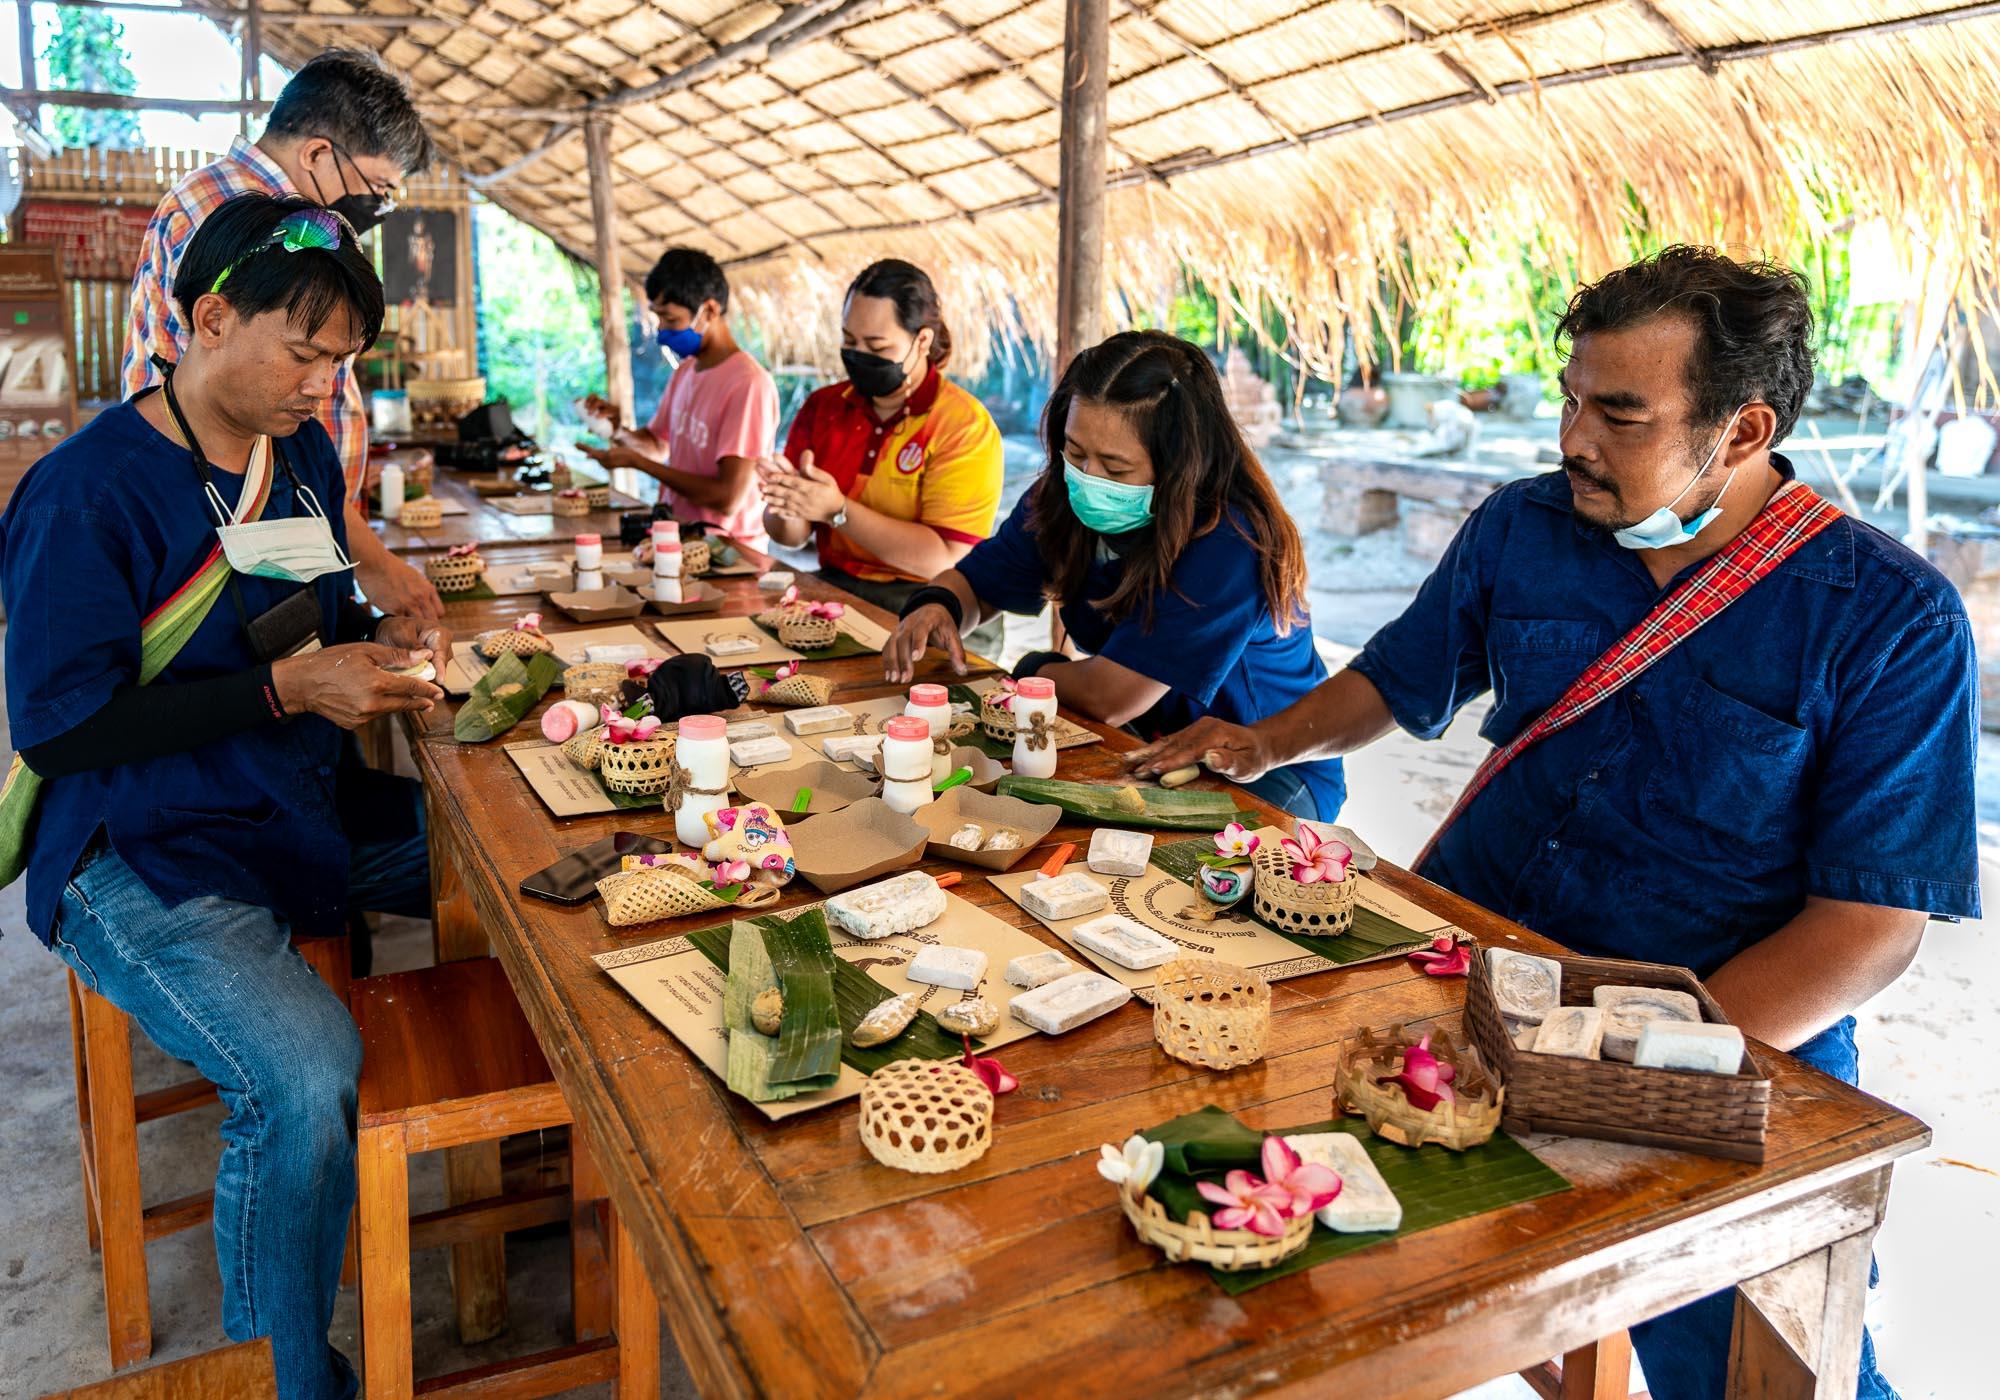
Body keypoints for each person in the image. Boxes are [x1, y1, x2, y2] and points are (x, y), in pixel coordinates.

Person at [1128, 247, 1978, 1399]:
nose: (1571, 437)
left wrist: (1633, 1060)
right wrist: (1263, 742)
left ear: (1740, 429)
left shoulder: (1886, 618)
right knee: (1359, 1254)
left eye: (1617, 414)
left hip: (1715, 1034)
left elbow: (1868, 923)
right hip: (1474, 970)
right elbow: (1398, 674)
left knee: (1747, 1354)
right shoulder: (1523, 526)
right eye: (1570, 397)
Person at [3, 194, 450, 1400]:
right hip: (138, 850)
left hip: (280, 807)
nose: (323, 386)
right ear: (208, 318)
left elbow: (293, 604)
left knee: (509, 880)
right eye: (302, 353)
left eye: (340, 362)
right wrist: (285, 690)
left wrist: (375, 632)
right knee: (303, 1072)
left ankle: (512, 1195)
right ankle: (289, 1379)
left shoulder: (290, 455)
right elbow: (60, 720)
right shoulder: (87, 493)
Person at [883, 329, 1343, 819]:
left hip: (1266, 770)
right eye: (1076, 453)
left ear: (1179, 467)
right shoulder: (1061, 496)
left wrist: (1034, 671)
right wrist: (939, 606)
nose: (1088, 478)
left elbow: (1110, 697)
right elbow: (979, 582)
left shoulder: (1232, 543)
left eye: (1116, 469)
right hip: (1147, 746)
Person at [122, 48, 441, 621]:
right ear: (319, 153)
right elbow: (240, 413)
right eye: (379, 190)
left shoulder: (302, 225)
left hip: (293, 515)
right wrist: (368, 557)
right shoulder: (243, 214)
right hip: (243, 528)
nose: (379, 209)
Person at [758, 259, 1006, 655]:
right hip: (838, 589)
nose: (858, 355)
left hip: (932, 603)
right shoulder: (824, 407)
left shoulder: (962, 425)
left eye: (876, 347)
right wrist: (785, 499)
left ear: (922, 341)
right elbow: (792, 534)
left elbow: (943, 559)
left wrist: (839, 510)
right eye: (849, 341)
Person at [579, 246, 776, 548]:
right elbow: (657, 445)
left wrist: (639, 464)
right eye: (658, 318)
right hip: (681, 537)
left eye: (670, 320)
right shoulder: (686, 371)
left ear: (709, 311)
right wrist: (616, 430)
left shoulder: (748, 384)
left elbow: (727, 498)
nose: (661, 332)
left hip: (729, 553)